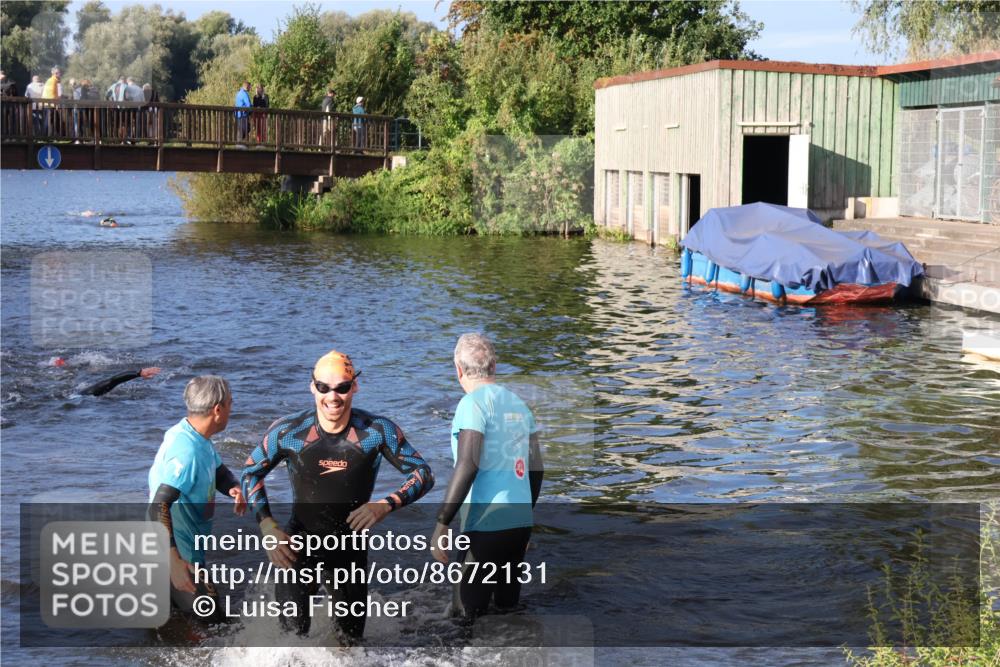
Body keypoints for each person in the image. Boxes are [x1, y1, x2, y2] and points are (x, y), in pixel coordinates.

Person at [241, 350, 434, 642]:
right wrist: (267, 526)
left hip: (348, 552)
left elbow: (423, 473)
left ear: (354, 386)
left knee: (350, 644)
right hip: (296, 548)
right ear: (312, 387)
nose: (333, 397)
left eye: (342, 387)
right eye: (324, 388)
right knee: (290, 643)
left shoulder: (377, 431)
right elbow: (250, 473)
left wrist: (386, 505)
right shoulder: (289, 432)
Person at [430, 333, 544, 619]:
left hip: (484, 525)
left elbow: (467, 465)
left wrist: (442, 523)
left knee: (463, 617)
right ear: (495, 366)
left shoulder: (472, 404)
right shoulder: (519, 404)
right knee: (507, 610)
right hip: (519, 525)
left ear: (457, 369)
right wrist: (524, 518)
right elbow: (536, 470)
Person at [148, 375, 245, 623]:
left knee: (179, 631)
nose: (232, 409)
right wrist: (175, 564)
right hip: (177, 558)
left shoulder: (192, 434)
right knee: (217, 630)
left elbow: (217, 470)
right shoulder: (187, 451)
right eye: (231, 403)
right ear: (217, 409)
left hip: (172, 553)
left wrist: (233, 487)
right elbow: (157, 506)